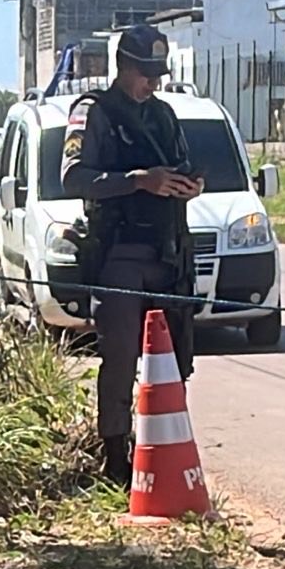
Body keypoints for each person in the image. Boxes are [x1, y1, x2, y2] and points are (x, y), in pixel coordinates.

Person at [60, 24, 202, 485]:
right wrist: (138, 180)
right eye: (145, 74)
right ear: (123, 67)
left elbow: (182, 165)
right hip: (120, 254)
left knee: (173, 362)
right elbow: (74, 178)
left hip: (168, 252)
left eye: (158, 74)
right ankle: (116, 458)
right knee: (120, 358)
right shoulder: (93, 112)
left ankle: (165, 452)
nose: (153, 83)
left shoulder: (163, 115)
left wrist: (187, 185)